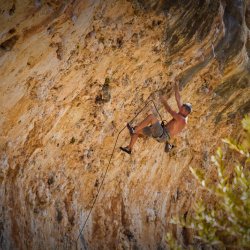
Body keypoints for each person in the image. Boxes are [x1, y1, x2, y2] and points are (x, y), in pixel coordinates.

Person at [120, 81, 192, 154]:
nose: (181, 107)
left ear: (186, 111)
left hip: (162, 134)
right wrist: (176, 86)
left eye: (183, 107)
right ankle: (129, 148)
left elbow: (169, 110)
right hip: (161, 135)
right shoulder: (183, 114)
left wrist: (163, 101)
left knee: (151, 117)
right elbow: (178, 99)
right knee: (138, 130)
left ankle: (134, 130)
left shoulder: (181, 119)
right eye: (182, 106)